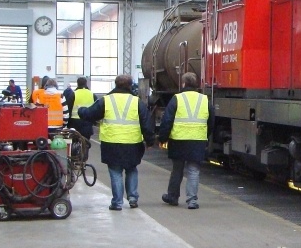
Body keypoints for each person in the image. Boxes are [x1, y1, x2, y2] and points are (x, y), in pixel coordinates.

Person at [79, 74, 154, 211]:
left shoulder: (106, 101)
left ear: (115, 84)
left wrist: (80, 110)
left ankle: (117, 202)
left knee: (115, 171)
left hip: (111, 142)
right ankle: (132, 198)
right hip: (133, 143)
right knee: (131, 169)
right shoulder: (136, 102)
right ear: (130, 85)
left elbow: (90, 114)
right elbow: (146, 123)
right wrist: (149, 141)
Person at [159, 72, 214, 210]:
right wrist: (205, 135)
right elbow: (211, 121)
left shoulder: (177, 99)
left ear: (183, 84)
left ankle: (172, 197)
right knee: (194, 170)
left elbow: (167, 121)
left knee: (177, 169)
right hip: (197, 140)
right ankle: (192, 200)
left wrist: (162, 138)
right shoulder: (204, 100)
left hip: (179, 139)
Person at [66, 77, 94, 159]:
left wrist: (67, 122)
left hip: (75, 122)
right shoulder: (92, 94)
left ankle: (74, 159)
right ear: (86, 83)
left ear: (77, 83)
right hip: (87, 122)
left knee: (74, 141)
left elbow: (68, 108)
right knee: (85, 142)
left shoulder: (73, 94)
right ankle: (84, 160)